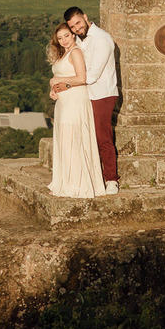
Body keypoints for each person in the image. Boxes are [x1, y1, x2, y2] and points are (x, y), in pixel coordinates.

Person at [56, 6, 119, 194]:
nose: (76, 28)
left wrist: (64, 83)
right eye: (72, 27)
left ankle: (111, 180)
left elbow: (90, 76)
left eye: (78, 23)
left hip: (102, 94)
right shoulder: (81, 41)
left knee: (102, 137)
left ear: (85, 17)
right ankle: (91, 177)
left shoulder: (102, 40)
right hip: (85, 95)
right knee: (86, 137)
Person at [46, 22, 107, 198]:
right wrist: (53, 88)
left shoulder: (76, 52)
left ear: (73, 35)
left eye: (66, 35)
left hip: (75, 100)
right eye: (60, 38)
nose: (64, 40)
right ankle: (64, 181)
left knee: (74, 138)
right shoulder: (63, 54)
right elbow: (61, 78)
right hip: (64, 101)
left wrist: (60, 81)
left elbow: (81, 78)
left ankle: (77, 184)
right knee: (65, 139)